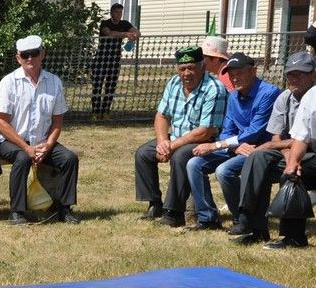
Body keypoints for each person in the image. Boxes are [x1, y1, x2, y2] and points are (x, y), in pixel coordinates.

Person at [182, 53, 279, 231]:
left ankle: (242, 218)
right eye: (231, 74)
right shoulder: (233, 97)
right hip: (238, 147)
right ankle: (207, 218)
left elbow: (256, 131)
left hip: (260, 150)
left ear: (253, 71)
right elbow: (227, 130)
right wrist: (234, 146)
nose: (234, 78)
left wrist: (220, 145)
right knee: (194, 163)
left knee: (224, 170)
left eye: (239, 73)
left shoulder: (269, 93)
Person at [133, 47, 226, 228]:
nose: (186, 73)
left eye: (191, 68)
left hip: (206, 142)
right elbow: (162, 115)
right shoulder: (174, 83)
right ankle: (154, 204)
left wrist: (172, 145)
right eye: (182, 69)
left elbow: (206, 130)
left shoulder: (214, 89)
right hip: (176, 138)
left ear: (203, 67)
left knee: (180, 156)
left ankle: (174, 212)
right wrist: (162, 142)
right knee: (143, 153)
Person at [0, 34, 81, 225]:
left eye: (34, 53)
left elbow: (58, 121)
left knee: (69, 159)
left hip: (43, 141)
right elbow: (0, 123)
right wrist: (26, 148)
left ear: (43, 54)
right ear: (18, 58)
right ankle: (17, 211)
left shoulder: (54, 82)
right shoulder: (8, 82)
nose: (30, 58)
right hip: (11, 141)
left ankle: (64, 209)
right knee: (23, 158)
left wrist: (48, 145)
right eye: (25, 55)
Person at [232, 51, 316, 248]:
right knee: (258, 157)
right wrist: (289, 157)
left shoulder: (312, 96)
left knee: (293, 174)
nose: (293, 79)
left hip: (311, 153)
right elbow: (282, 136)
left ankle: (293, 238)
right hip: (297, 151)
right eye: (290, 74)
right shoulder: (285, 97)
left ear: (313, 74)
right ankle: (254, 226)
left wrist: (278, 148)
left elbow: (306, 140)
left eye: (300, 74)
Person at [90, 3, 138, 119]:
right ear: (111, 13)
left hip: (115, 59)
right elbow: (109, 33)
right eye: (116, 12)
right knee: (97, 85)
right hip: (101, 59)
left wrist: (133, 35)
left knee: (110, 86)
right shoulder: (105, 23)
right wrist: (125, 34)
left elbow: (137, 32)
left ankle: (106, 111)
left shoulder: (125, 23)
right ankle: (95, 112)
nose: (119, 14)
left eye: (120, 12)